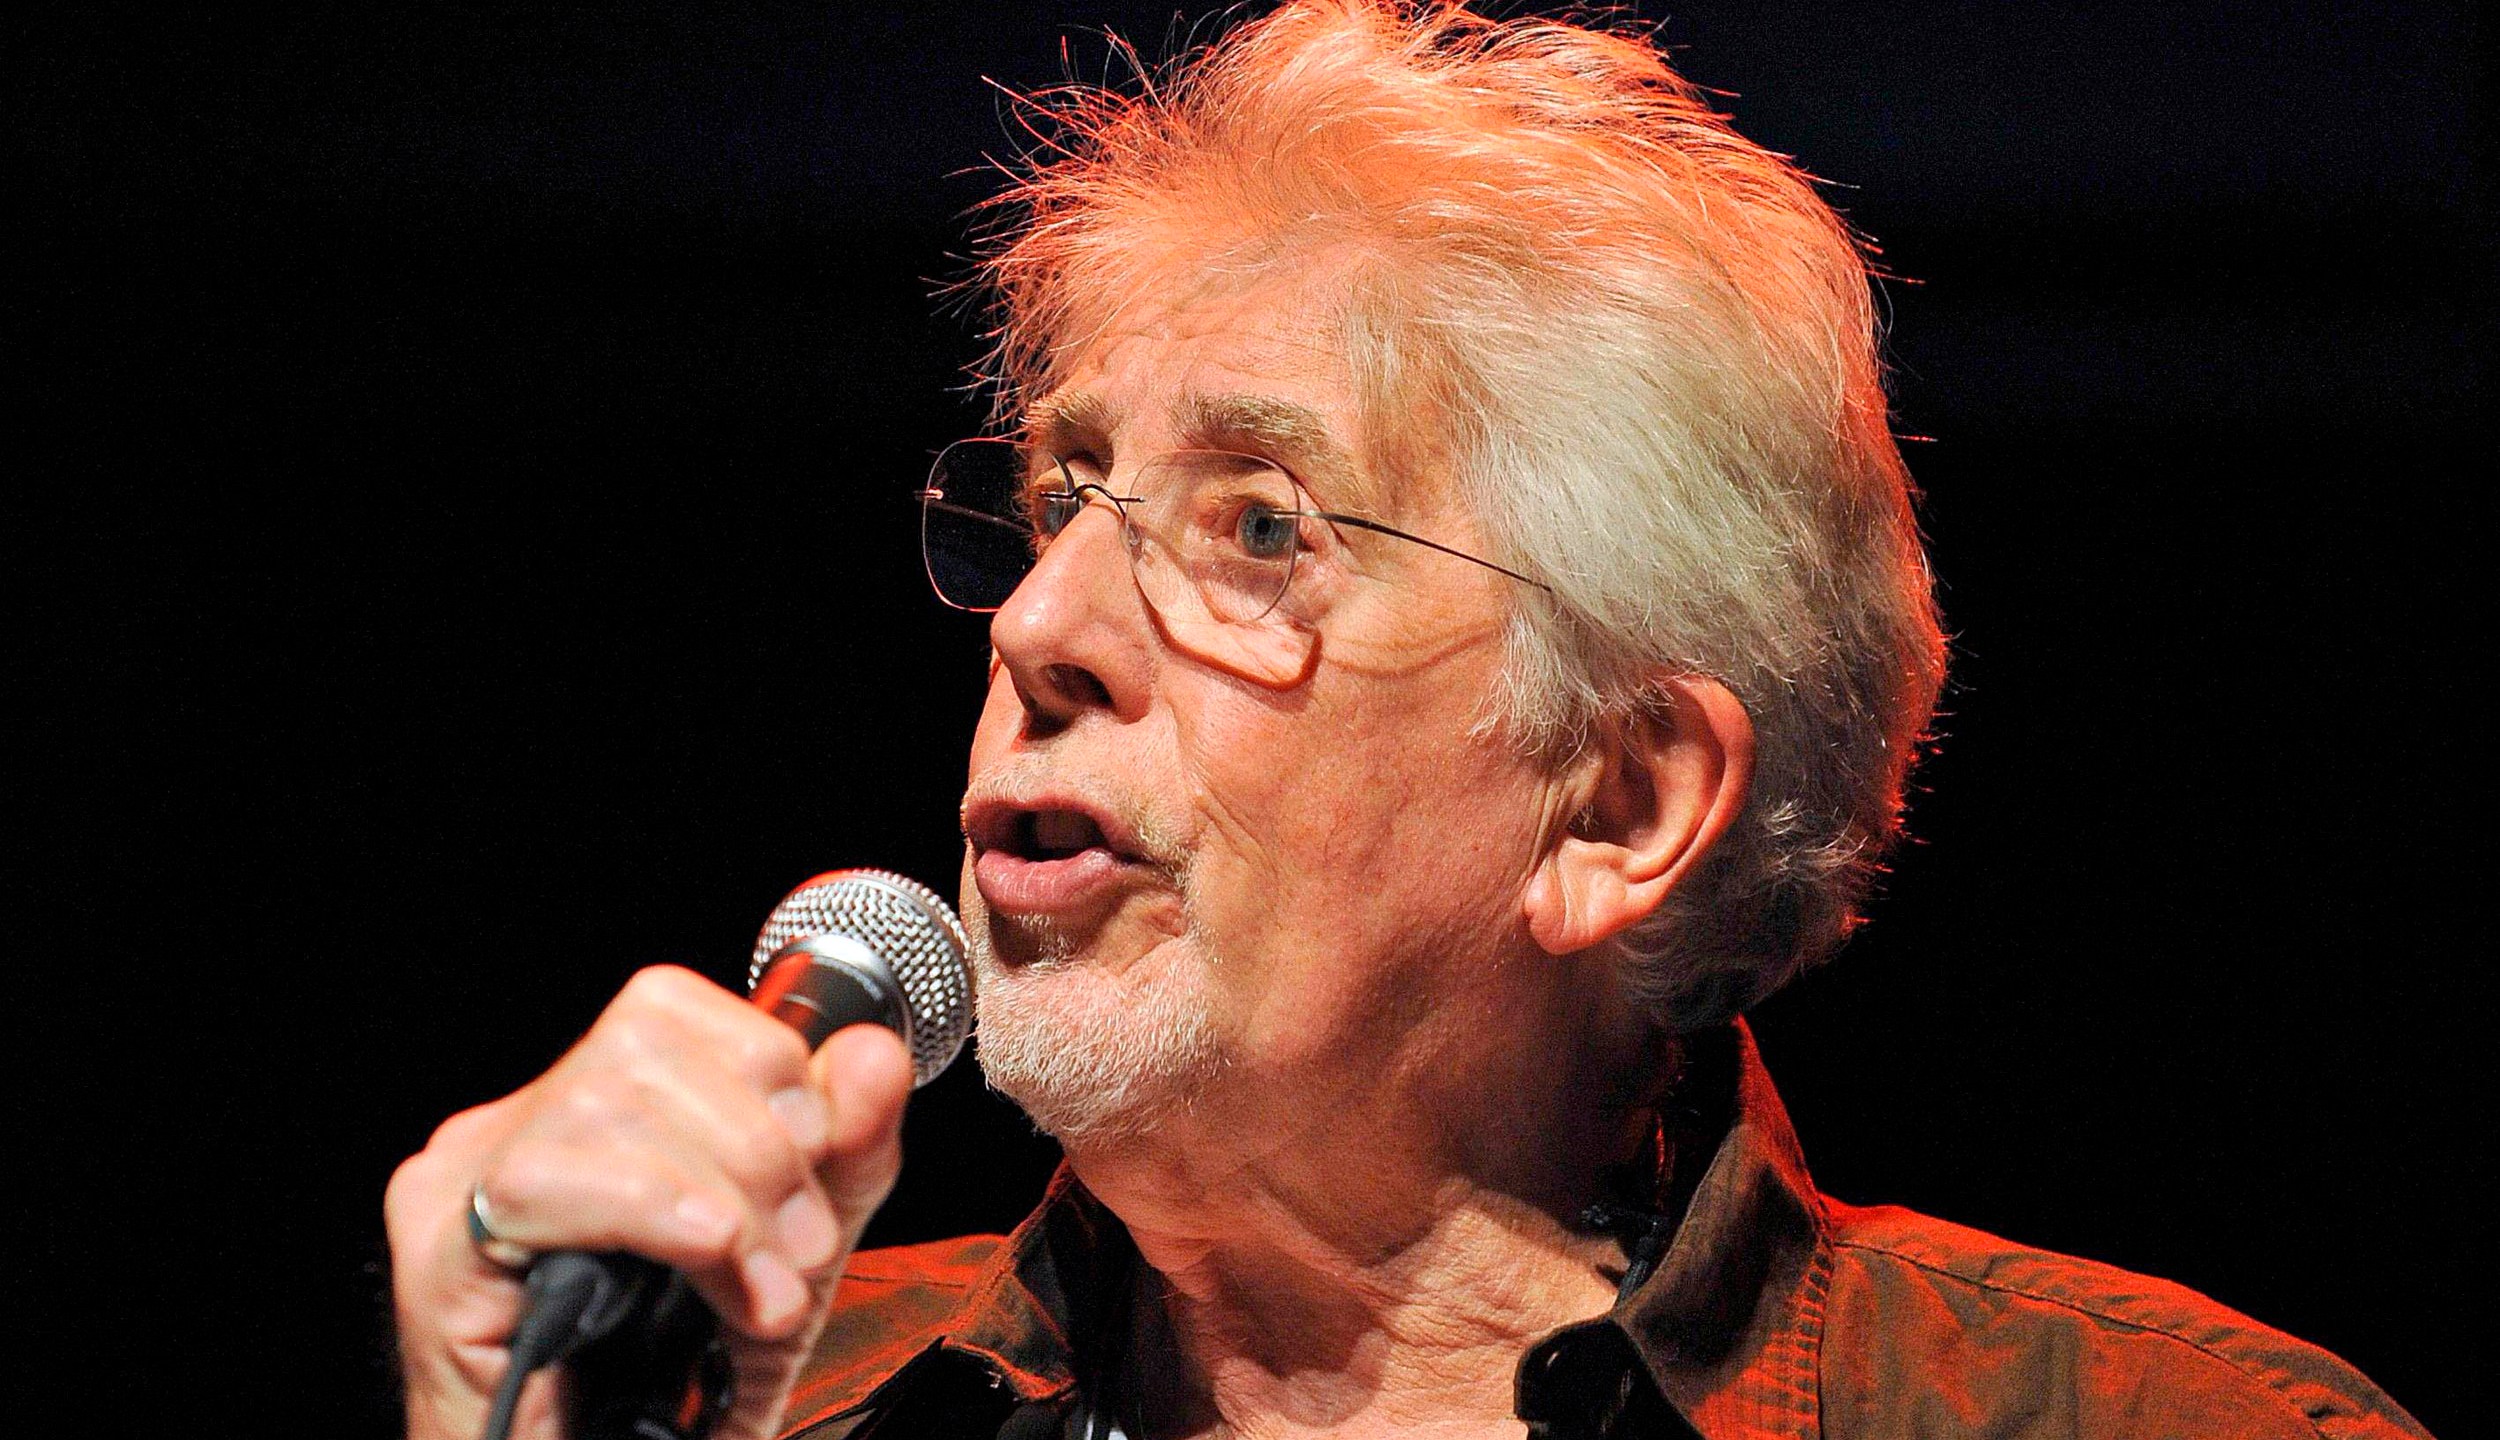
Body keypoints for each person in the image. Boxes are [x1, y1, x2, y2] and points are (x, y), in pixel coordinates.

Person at [384, 4, 2431, 1437]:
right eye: (1056, 501)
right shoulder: (737, 1403)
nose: (1042, 624)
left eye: (1254, 526)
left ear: (1614, 802)